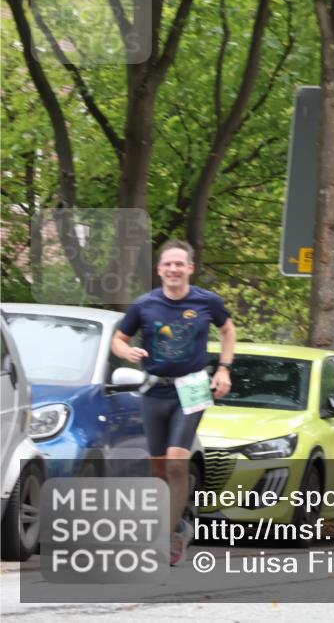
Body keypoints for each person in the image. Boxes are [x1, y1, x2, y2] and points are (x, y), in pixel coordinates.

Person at [111, 240, 237, 565]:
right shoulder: (144, 305)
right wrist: (128, 352)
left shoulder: (206, 302)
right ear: (159, 270)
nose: (173, 269)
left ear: (190, 268)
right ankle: (180, 521)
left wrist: (224, 368)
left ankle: (166, 538)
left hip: (193, 387)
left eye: (180, 264)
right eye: (168, 264)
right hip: (155, 390)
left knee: (177, 462)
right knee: (158, 470)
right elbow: (118, 340)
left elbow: (227, 330)